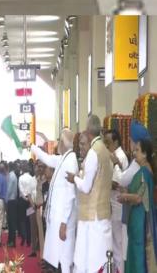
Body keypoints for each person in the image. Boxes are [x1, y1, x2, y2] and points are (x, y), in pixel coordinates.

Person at [66, 115, 113, 273]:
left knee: (89, 261)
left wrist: (75, 179)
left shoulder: (94, 153)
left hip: (92, 218)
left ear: (88, 131)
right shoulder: (105, 151)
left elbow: (86, 187)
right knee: (102, 259)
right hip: (102, 214)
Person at [31, 128, 78, 273]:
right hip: (57, 218)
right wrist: (32, 147)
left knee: (65, 257)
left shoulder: (70, 161)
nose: (57, 143)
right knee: (59, 257)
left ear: (63, 142)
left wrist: (64, 222)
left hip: (63, 219)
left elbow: (70, 195)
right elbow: (48, 159)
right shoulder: (63, 158)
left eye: (59, 140)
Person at [118, 139, 157, 273]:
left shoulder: (145, 173)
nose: (134, 153)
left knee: (139, 258)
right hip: (136, 221)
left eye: (137, 150)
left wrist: (125, 196)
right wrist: (126, 193)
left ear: (145, 154)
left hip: (141, 223)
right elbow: (137, 194)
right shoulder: (142, 171)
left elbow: (139, 198)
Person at [104, 129, 129, 273]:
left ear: (116, 142)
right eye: (105, 142)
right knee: (113, 245)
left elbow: (117, 182)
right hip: (113, 203)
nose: (106, 146)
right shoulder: (114, 155)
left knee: (118, 245)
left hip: (117, 204)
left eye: (108, 142)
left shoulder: (119, 156)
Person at [6, 161, 18, 247]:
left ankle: (12, 240)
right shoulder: (13, 175)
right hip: (13, 200)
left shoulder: (11, 176)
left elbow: (9, 190)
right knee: (11, 221)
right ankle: (10, 239)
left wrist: (5, 199)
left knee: (11, 222)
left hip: (11, 201)